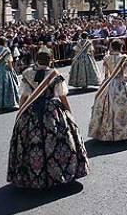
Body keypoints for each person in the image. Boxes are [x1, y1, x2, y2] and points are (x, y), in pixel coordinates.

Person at [7, 50, 89, 189]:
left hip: (32, 110)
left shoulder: (27, 74)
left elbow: (24, 97)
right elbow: (62, 97)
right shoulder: (55, 74)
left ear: (36, 60)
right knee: (60, 140)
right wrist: (69, 113)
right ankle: (59, 172)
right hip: (52, 110)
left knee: (29, 141)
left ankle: (30, 175)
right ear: (51, 60)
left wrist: (20, 113)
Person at [88, 40, 127, 141]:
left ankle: (107, 131)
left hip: (109, 84)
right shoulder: (124, 58)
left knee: (107, 107)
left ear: (112, 47)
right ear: (121, 47)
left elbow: (106, 75)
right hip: (122, 83)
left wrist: (104, 85)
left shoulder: (106, 58)